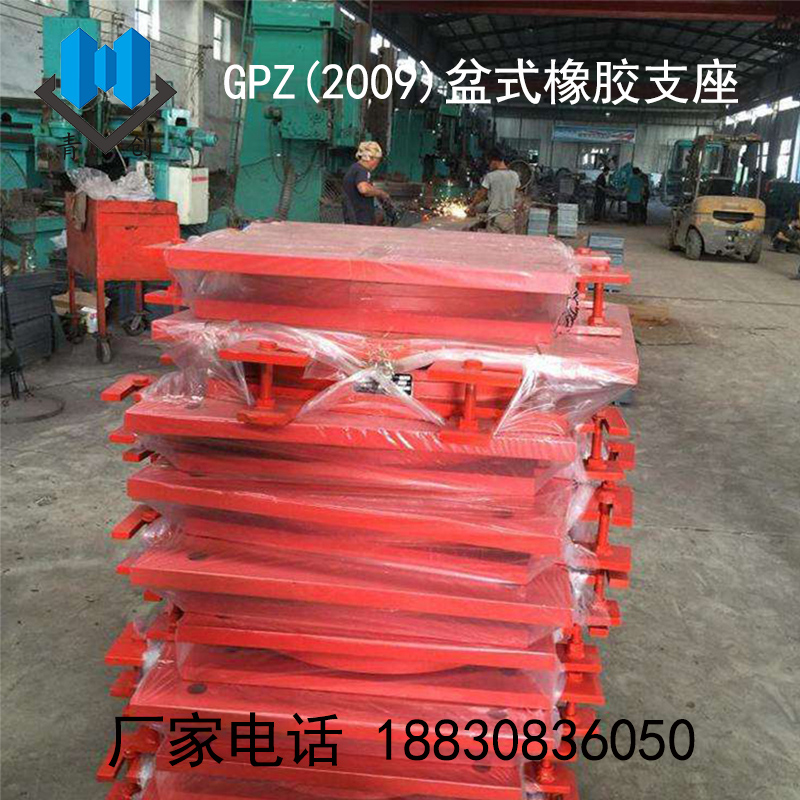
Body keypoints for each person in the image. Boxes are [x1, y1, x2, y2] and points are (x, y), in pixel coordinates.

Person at [468, 148, 520, 234]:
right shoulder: (515, 175)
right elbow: (516, 193)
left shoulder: (490, 176)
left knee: (493, 242)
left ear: (494, 161)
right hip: (510, 219)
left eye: (489, 163)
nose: (489, 166)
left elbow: (481, 195)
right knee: (509, 242)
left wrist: (472, 206)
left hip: (495, 219)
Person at [342, 141, 390, 225]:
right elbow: (363, 189)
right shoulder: (362, 170)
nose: (377, 164)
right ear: (371, 158)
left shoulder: (354, 169)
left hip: (354, 219)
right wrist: (381, 193)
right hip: (359, 222)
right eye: (377, 160)